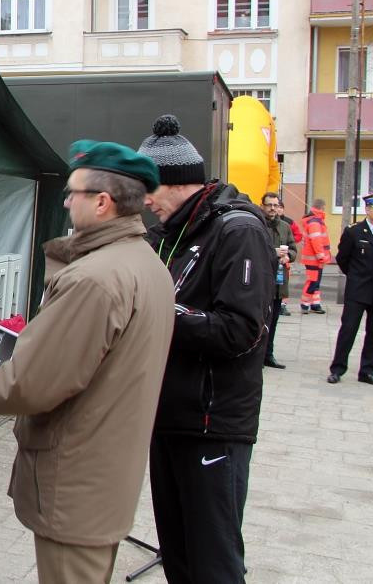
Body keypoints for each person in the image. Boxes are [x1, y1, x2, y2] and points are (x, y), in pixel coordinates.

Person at [0, 141, 174, 584]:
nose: (65, 201)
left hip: (77, 477)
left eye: (73, 193)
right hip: (104, 474)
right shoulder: (144, 263)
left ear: (102, 202)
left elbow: (32, 383)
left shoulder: (94, 279)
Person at [138, 114, 274, 584]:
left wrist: (159, 309)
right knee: (178, 557)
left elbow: (241, 330)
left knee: (213, 564)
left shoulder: (238, 231)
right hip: (168, 419)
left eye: (149, 188)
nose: (144, 200)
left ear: (176, 182)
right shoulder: (172, 233)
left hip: (212, 426)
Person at [328, 192, 373, 385]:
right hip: (358, 290)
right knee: (348, 329)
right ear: (368, 209)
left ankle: (367, 370)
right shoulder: (354, 231)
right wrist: (355, 276)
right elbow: (342, 259)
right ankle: (337, 369)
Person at [261, 192, 296, 369]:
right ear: (262, 206)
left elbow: (293, 248)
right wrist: (272, 252)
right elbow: (253, 249)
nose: (272, 208)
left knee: (273, 320)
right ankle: (257, 356)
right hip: (261, 280)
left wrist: (288, 256)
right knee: (260, 320)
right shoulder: (257, 224)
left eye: (275, 205)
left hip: (279, 281)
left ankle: (269, 355)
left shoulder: (284, 226)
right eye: (269, 205)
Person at [300, 198, 331, 314]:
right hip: (315, 259)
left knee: (316, 282)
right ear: (322, 208)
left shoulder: (314, 220)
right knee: (313, 282)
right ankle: (305, 304)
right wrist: (321, 256)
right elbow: (316, 241)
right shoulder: (315, 222)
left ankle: (315, 304)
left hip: (314, 258)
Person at [276, 200, 301, 316]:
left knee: (283, 282)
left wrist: (289, 247)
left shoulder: (288, 223)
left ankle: (283, 305)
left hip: (284, 260)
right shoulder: (264, 222)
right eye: (277, 207)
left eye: (280, 207)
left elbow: (298, 235)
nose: (278, 209)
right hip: (271, 260)